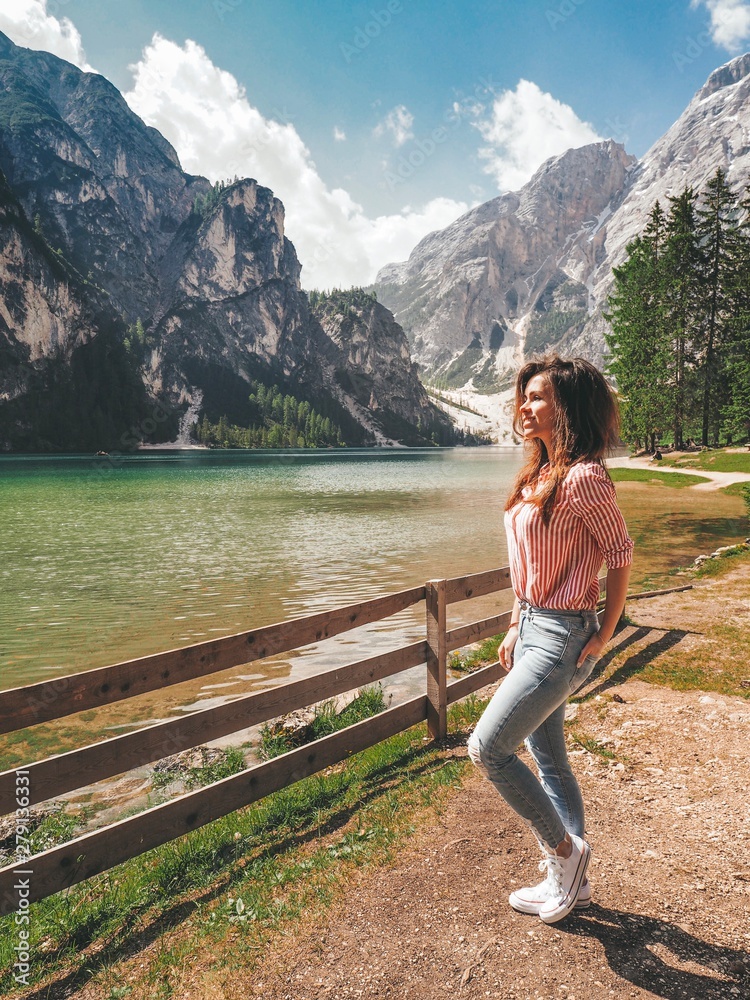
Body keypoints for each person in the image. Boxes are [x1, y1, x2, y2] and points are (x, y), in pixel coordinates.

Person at [467, 354, 633, 924]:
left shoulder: (585, 477)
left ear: (568, 407)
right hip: (534, 625)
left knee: (487, 748)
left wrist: (604, 634)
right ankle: (574, 882)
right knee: (548, 755)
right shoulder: (538, 475)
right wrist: (515, 623)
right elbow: (528, 566)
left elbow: (621, 555)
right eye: (524, 396)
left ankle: (564, 853)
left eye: (538, 397)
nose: (525, 406)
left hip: (565, 634)